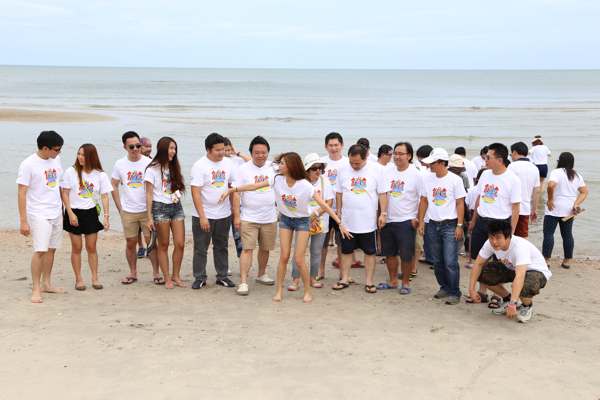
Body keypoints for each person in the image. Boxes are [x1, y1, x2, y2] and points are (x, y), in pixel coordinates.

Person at [221, 152, 350, 303]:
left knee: (299, 259)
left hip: (302, 221)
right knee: (284, 256)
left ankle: (307, 291)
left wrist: (340, 223)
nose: (279, 166)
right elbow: (254, 186)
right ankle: (279, 291)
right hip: (286, 220)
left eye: (282, 163)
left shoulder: (305, 186)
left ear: (291, 166)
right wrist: (233, 190)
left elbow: (325, 205)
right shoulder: (277, 179)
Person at [468, 143, 521, 307]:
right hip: (482, 221)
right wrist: (474, 220)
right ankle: (482, 291)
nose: (485, 160)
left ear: (499, 159)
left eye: (488, 157)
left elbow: (516, 208)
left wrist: (510, 233)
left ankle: (498, 295)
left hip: (500, 223)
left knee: (499, 262)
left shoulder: (512, 179)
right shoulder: (485, 174)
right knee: (480, 258)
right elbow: (479, 198)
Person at [468, 219, 552, 323]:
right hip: (512, 268)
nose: (494, 242)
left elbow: (520, 276)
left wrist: (513, 303)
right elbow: (478, 264)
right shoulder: (489, 243)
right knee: (482, 273)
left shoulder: (519, 246)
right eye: (491, 237)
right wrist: (471, 290)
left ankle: (527, 306)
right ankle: (507, 299)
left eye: (498, 238)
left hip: (535, 271)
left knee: (524, 286)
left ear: (508, 236)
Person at [332, 144, 388, 293]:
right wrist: (338, 211)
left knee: (369, 252)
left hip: (368, 221)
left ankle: (369, 282)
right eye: (351, 162)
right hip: (348, 220)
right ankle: (344, 278)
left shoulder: (377, 169)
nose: (354, 166)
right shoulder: (342, 169)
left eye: (357, 163)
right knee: (346, 250)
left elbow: (382, 193)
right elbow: (339, 192)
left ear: (366, 158)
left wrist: (383, 214)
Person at [17, 131, 65, 303]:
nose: (59, 152)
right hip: (38, 212)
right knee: (40, 250)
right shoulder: (28, 164)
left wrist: (66, 208)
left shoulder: (56, 160)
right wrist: (23, 221)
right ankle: (36, 288)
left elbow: (59, 185)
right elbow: (22, 192)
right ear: (45, 148)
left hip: (56, 211)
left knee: (52, 249)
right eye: (56, 149)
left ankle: (47, 284)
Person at [417, 147, 466, 305]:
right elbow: (424, 200)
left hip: (450, 224)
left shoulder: (455, 180)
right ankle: (444, 287)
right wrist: (421, 221)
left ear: (441, 163)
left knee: (450, 260)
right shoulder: (427, 179)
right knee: (436, 260)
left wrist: (459, 225)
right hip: (432, 223)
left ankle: (454, 292)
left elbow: (460, 203)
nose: (429, 166)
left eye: (432, 163)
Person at [60, 144, 112, 291]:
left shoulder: (100, 174)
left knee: (91, 247)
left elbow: (105, 196)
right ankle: (79, 279)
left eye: (83, 155)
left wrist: (106, 217)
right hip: (74, 212)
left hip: (90, 212)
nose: (80, 157)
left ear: (91, 157)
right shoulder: (71, 171)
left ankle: (95, 278)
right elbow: (64, 193)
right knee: (77, 247)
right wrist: (70, 213)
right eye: (79, 154)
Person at [111, 131, 160, 285]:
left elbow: (157, 185)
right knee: (131, 243)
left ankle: (156, 273)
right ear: (124, 147)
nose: (135, 149)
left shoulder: (149, 163)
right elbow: (113, 185)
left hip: (147, 211)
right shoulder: (120, 164)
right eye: (131, 146)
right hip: (128, 211)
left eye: (138, 146)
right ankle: (133, 273)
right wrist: (119, 208)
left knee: (151, 243)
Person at [190, 133, 237, 289]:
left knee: (221, 246)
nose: (222, 152)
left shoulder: (229, 164)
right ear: (208, 150)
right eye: (218, 150)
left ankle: (222, 276)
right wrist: (202, 217)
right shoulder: (199, 166)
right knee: (200, 248)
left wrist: (234, 211)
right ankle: (199, 277)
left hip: (224, 214)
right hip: (204, 215)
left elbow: (233, 187)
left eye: (223, 149)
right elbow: (195, 192)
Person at [232, 136, 277, 296]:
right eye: (257, 152)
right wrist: (236, 216)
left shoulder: (274, 167)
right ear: (251, 153)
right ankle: (243, 281)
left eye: (263, 152)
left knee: (265, 248)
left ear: (268, 153)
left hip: (270, 216)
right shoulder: (243, 169)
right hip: (249, 217)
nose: (260, 155)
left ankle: (261, 274)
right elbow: (236, 193)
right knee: (247, 249)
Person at [378, 142, 422, 294]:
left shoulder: (416, 174)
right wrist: (383, 214)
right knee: (389, 253)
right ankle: (392, 281)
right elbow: (383, 193)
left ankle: (405, 283)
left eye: (401, 154)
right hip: (389, 219)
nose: (397, 156)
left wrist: (418, 218)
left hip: (407, 220)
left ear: (409, 156)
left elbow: (422, 198)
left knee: (406, 254)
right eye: (395, 153)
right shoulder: (387, 171)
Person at [144, 137, 186, 289]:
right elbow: (148, 194)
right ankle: (167, 277)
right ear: (162, 149)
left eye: (174, 149)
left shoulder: (174, 166)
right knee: (163, 244)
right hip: (159, 208)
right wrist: (149, 217)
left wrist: (177, 192)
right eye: (170, 148)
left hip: (176, 206)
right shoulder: (152, 169)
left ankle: (176, 275)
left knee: (180, 243)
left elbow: (177, 187)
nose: (173, 152)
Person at [288, 153, 334, 291]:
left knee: (316, 251)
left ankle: (313, 278)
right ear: (307, 170)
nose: (318, 171)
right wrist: (308, 217)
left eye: (320, 168)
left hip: (321, 221)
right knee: (299, 252)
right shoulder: (300, 182)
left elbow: (329, 202)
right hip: (302, 221)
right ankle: (295, 279)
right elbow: (294, 202)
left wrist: (315, 214)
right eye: (314, 168)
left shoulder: (325, 181)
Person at [319, 132, 359, 278]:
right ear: (326, 146)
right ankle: (320, 271)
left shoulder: (348, 163)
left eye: (336, 145)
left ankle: (343, 274)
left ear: (342, 145)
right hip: (324, 209)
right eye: (330, 145)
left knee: (342, 243)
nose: (333, 148)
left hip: (342, 210)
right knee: (322, 243)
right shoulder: (321, 163)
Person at [542, 152, 588, 269]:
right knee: (567, 235)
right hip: (569, 209)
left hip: (554, 207)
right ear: (572, 163)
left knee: (548, 234)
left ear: (559, 161)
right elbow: (584, 192)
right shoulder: (577, 175)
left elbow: (550, 185)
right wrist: (576, 204)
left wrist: (550, 200)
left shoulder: (556, 172)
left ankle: (546, 260)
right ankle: (567, 261)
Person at [223, 137, 250, 271]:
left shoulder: (237, 160)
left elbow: (251, 162)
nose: (228, 152)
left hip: (237, 204)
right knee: (223, 238)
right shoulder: (219, 162)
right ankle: (224, 266)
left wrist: (237, 153)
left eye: (229, 149)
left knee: (239, 237)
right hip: (223, 206)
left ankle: (242, 265)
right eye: (225, 150)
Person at [508, 142, 540, 238]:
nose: (511, 155)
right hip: (525, 209)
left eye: (511, 153)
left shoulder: (511, 166)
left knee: (507, 237)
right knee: (522, 238)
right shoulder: (534, 168)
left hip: (510, 209)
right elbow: (537, 191)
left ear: (515, 152)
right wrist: (534, 209)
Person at [136, 137, 152, 258]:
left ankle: (149, 246)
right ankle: (141, 247)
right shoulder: (134, 161)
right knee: (137, 229)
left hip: (149, 199)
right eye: (146, 146)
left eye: (150, 146)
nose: (149, 149)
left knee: (149, 226)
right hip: (136, 200)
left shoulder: (152, 161)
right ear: (140, 147)